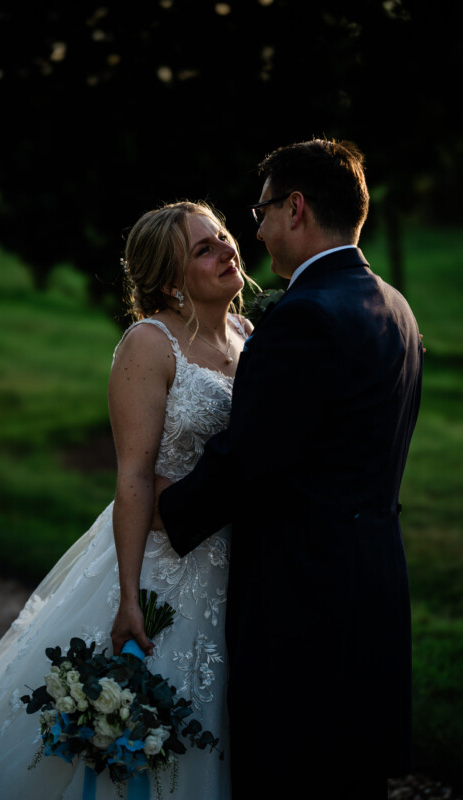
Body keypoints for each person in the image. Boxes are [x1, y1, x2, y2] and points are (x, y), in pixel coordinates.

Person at [0, 200, 254, 799]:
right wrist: (129, 596)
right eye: (203, 250)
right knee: (135, 735)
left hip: (229, 562)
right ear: (167, 279)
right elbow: (133, 475)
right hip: (161, 564)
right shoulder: (149, 344)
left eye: (224, 236)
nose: (227, 251)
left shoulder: (247, 336)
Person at [158, 140, 423, 800]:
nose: (257, 227)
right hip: (374, 588)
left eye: (263, 208)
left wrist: (169, 509)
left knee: (283, 773)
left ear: (295, 208)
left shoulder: (304, 317)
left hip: (301, 603)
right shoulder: (391, 304)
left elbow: (251, 459)